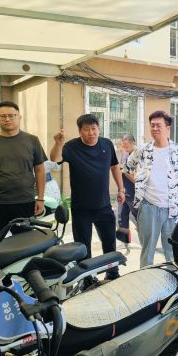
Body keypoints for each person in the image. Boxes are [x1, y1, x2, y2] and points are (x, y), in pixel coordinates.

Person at [50, 114, 124, 280]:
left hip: (104, 206)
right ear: (80, 131)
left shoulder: (106, 144)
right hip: (81, 209)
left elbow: (114, 167)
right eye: (86, 129)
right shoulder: (71, 147)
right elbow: (55, 159)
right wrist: (58, 143)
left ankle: (112, 273)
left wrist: (121, 189)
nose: (91, 133)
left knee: (109, 243)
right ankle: (87, 279)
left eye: (94, 128)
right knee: (83, 247)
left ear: (98, 129)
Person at [127, 111, 178, 267]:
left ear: (168, 128)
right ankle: (147, 279)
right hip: (148, 207)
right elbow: (127, 167)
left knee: (172, 251)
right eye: (152, 126)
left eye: (158, 125)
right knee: (147, 251)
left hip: (173, 209)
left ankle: (172, 278)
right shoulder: (143, 149)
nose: (155, 129)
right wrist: (139, 181)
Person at [0, 101, 47, 239]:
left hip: (24, 202)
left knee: (25, 243)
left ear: (19, 117)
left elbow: (39, 170)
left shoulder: (32, 140)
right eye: (3, 116)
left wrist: (40, 198)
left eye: (11, 115)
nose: (7, 119)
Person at [118, 134, 137, 230]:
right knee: (121, 218)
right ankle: (124, 237)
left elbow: (136, 178)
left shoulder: (139, 156)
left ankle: (144, 236)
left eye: (126, 146)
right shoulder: (126, 155)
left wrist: (124, 170)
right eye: (123, 146)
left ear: (133, 143)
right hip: (125, 192)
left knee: (138, 217)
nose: (124, 149)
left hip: (134, 193)